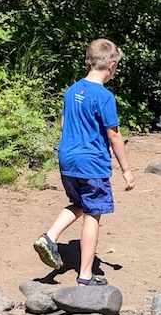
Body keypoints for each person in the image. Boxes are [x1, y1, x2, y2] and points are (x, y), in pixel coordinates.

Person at [34, 39, 135, 285]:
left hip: (68, 160)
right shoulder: (104, 96)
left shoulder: (72, 90)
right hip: (92, 163)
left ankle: (50, 236)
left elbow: (63, 123)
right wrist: (126, 169)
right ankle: (86, 275)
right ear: (111, 66)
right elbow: (114, 135)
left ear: (88, 61)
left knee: (79, 202)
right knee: (93, 213)